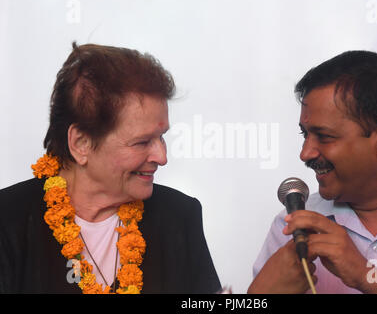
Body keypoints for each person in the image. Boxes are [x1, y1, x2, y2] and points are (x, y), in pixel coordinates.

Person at [0, 43, 221, 294]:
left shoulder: (179, 216)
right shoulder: (8, 220)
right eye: (142, 142)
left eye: (162, 137)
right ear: (81, 143)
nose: (162, 157)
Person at [248, 50, 377, 294]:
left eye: (324, 136)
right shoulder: (293, 226)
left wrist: (366, 275)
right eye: (305, 134)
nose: (306, 153)